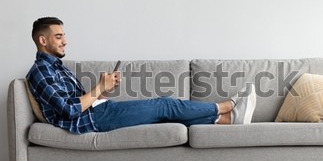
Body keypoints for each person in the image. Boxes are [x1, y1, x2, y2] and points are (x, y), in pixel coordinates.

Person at [26, 17, 256, 134]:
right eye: (58, 36)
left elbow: (78, 100)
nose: (65, 40)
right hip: (92, 121)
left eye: (64, 35)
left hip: (99, 111)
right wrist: (97, 89)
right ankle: (224, 107)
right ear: (42, 40)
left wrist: (103, 90)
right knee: (164, 106)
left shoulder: (57, 66)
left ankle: (228, 120)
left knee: (166, 114)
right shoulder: (40, 72)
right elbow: (69, 110)